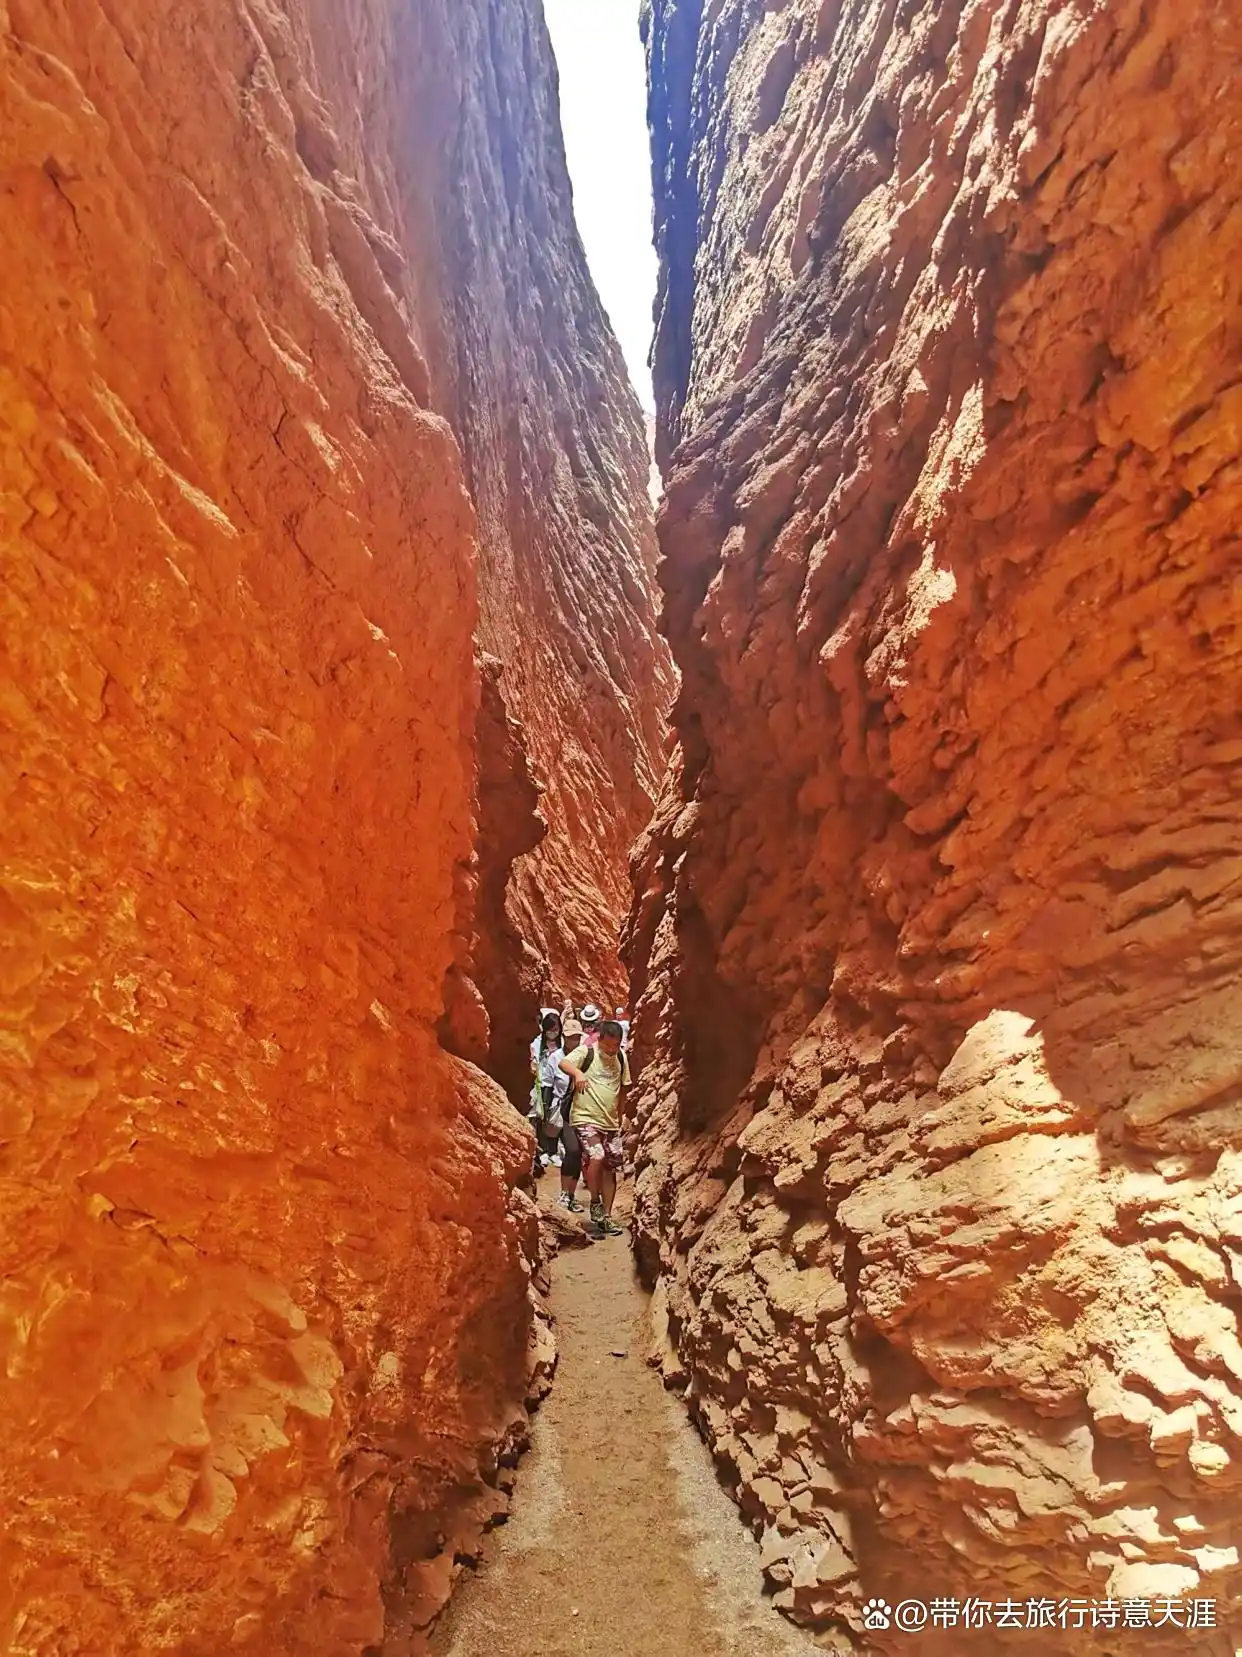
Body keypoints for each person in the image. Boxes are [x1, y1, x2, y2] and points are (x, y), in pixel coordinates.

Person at [560, 1018, 630, 1238]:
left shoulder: (621, 1057)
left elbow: (623, 1089)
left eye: (616, 1045)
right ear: (600, 1039)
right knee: (596, 1156)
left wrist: (620, 1116)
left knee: (611, 1169)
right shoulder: (586, 1052)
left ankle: (607, 1217)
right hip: (585, 1117)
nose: (611, 1049)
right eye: (608, 1044)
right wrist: (578, 1073)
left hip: (609, 1122)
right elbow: (564, 1063)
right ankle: (595, 1201)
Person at [553, 1016, 586, 1213]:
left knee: (578, 1154)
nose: (574, 1040)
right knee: (573, 1150)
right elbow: (548, 1084)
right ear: (564, 1037)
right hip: (564, 1111)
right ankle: (565, 1193)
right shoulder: (555, 1058)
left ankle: (571, 1196)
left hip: (583, 1110)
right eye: (570, 1037)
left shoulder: (586, 1056)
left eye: (577, 1037)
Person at [529, 1012, 567, 1172]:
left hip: (558, 1082)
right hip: (541, 1083)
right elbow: (534, 1061)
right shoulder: (537, 1043)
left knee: (556, 1117)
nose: (553, 1032)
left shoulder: (562, 1044)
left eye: (556, 1029)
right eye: (549, 1029)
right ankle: (543, 1149)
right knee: (540, 1115)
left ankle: (553, 1150)